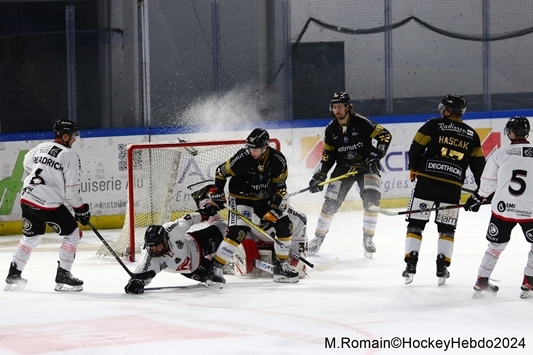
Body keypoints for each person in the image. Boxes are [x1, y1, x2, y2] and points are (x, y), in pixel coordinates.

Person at [403, 94, 485, 286]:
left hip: (427, 181)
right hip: (453, 186)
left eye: (445, 108)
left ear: (451, 111)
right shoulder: (472, 134)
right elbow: (479, 166)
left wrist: (414, 167)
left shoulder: (434, 124)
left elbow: (415, 148)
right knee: (447, 228)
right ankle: (442, 267)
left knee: (416, 223)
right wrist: (481, 191)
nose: (441, 111)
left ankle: (411, 264)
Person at [5, 119, 91, 292]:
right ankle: (63, 276)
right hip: (48, 204)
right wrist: (81, 209)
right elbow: (71, 193)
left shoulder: (42, 146)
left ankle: (13, 275)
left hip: (27, 198)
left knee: (31, 238)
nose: (75, 139)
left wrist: (43, 180)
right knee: (73, 234)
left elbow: (27, 163)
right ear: (65, 136)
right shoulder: (70, 156)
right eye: (73, 136)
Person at [207, 128, 300, 283]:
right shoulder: (242, 157)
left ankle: (280, 268)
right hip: (241, 198)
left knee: (285, 225)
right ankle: (215, 269)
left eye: (255, 149)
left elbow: (279, 187)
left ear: (265, 147)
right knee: (238, 233)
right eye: (250, 148)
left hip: (263, 200)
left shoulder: (278, 160)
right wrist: (218, 193)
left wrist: (274, 207)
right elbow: (220, 172)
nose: (252, 152)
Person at [307, 92, 392, 258]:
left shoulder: (361, 122)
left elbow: (384, 135)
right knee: (330, 203)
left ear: (348, 107)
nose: (337, 110)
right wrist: (321, 175)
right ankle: (318, 239)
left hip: (366, 167)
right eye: (334, 107)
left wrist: (377, 156)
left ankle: (368, 239)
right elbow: (328, 155)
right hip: (343, 168)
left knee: (371, 201)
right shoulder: (331, 129)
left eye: (340, 107)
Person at [465, 116, 533, 299]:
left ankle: (482, 280)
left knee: (495, 246)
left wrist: (478, 197)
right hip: (530, 211)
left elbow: (487, 183)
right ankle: (529, 280)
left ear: (510, 133)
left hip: (503, 210)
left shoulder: (500, 153)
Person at [124, 199, 225, 294]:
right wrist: (135, 282)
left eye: (157, 245)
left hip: (199, 243)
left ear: (164, 239)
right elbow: (142, 272)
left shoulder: (171, 230)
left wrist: (204, 213)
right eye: (151, 246)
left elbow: (187, 220)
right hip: (192, 270)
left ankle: (202, 199)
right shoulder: (151, 258)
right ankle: (215, 260)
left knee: (224, 229)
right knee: (214, 279)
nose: (154, 249)